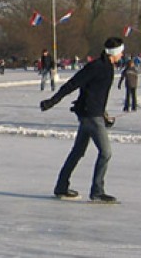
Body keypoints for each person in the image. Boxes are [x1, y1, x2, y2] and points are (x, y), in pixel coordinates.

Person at [39, 37, 124, 204]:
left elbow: (95, 94)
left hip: (91, 114)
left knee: (78, 152)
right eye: (121, 51)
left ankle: (61, 187)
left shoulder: (107, 67)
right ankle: (97, 191)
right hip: (91, 116)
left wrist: (104, 114)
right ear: (114, 53)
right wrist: (53, 101)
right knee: (106, 153)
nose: (122, 54)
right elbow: (73, 84)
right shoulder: (97, 67)